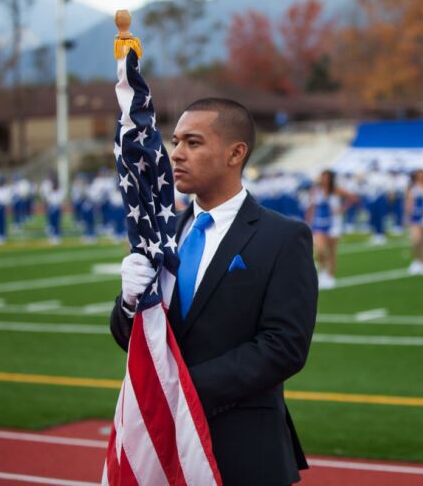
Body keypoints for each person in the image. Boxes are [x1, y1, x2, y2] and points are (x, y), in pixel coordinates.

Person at [109, 98, 318, 486]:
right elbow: (136, 338)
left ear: (235, 153)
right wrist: (128, 303)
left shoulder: (282, 236)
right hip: (163, 448)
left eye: (193, 143)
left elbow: (284, 345)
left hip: (242, 451)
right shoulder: (162, 233)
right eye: (175, 142)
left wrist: (182, 390)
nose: (176, 154)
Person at [305, 169, 356, 289]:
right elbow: (311, 207)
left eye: (327, 177)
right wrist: (308, 222)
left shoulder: (337, 190)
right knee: (320, 250)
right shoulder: (315, 190)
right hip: (319, 224)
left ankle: (330, 276)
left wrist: (342, 209)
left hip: (334, 224)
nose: (325, 180)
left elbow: (353, 198)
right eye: (323, 177)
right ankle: (323, 271)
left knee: (332, 252)